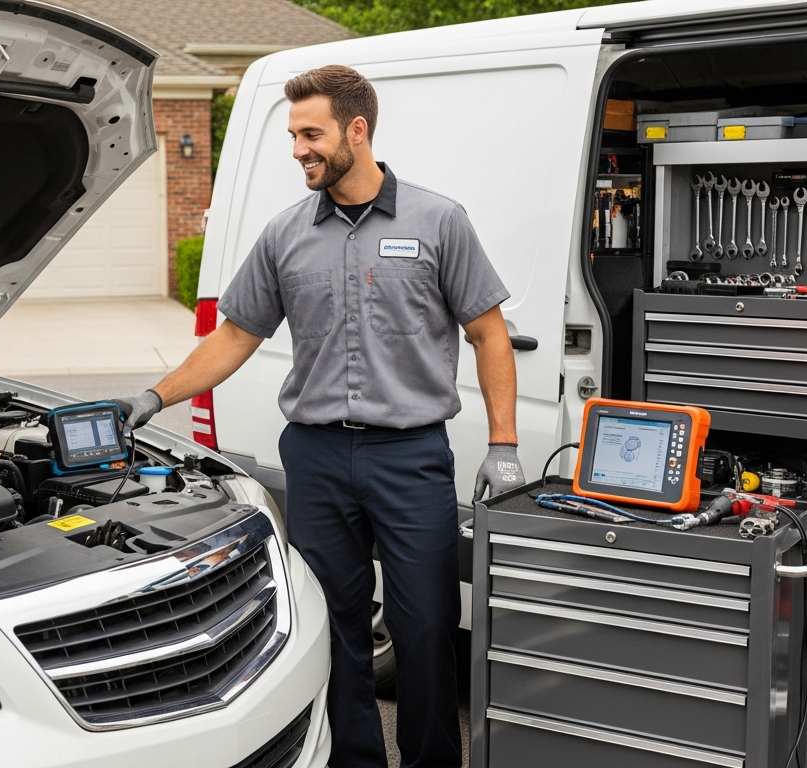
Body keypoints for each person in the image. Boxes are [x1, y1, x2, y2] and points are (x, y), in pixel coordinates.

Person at [114, 64, 523, 768]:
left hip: (410, 457)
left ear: (356, 131)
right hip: (315, 458)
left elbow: (489, 333)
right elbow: (234, 337)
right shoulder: (284, 235)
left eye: (311, 134)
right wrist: (153, 398)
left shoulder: (438, 220)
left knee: (424, 626)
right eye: (294, 135)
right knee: (331, 628)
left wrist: (505, 445)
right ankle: (353, 759)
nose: (298, 149)